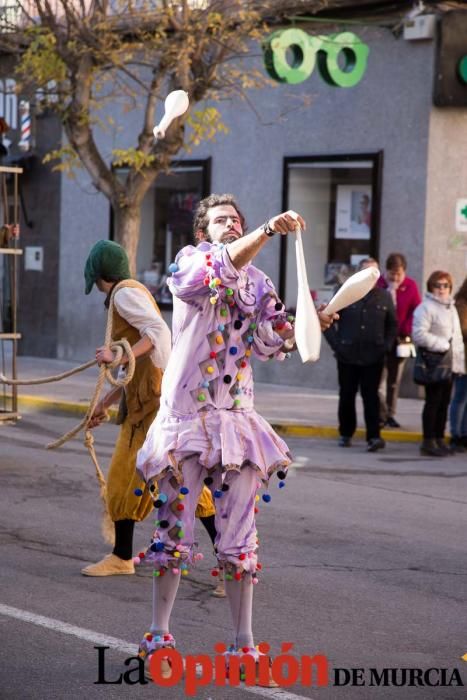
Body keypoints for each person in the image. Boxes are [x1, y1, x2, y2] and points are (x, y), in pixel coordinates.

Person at [134, 194, 335, 682]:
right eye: (223, 220)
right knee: (174, 532)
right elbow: (219, 270)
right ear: (204, 231)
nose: (232, 225)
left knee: (240, 538)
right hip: (184, 419)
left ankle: (243, 643)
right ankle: (159, 632)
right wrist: (265, 230)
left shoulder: (260, 284)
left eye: (237, 220)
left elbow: (271, 341)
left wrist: (308, 324)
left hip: (237, 423)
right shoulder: (190, 263)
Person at [80, 240, 218, 583]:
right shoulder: (130, 291)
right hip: (146, 400)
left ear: (100, 275)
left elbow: (157, 334)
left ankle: (122, 557)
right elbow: (142, 363)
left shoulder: (124, 294)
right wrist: (106, 403)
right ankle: (229, 559)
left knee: (139, 480)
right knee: (179, 482)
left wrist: (119, 356)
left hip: (151, 405)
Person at [324, 258, 397, 452]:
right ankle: (346, 433)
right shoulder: (344, 293)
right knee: (347, 395)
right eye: (366, 272)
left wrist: (386, 346)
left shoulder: (384, 297)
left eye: (374, 272)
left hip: (373, 356)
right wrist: (337, 345)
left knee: (371, 396)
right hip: (347, 355)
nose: (370, 277)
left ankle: (374, 436)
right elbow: (326, 319)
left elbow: (392, 325)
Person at [412, 270, 465, 457]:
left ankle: (439, 438)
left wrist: (458, 363)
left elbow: (456, 338)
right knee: (433, 402)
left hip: (450, 364)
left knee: (444, 403)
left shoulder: (450, 308)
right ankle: (428, 441)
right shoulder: (425, 307)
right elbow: (418, 334)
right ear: (431, 287)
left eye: (445, 285)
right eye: (438, 285)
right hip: (433, 362)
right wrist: (441, 345)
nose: (442, 289)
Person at [377, 253, 421, 428]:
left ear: (404, 272)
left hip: (400, 340)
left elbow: (415, 311)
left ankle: (390, 414)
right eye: (391, 274)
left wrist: (406, 329)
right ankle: (380, 413)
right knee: (379, 381)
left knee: (394, 381)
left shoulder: (410, 286)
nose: (395, 278)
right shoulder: (378, 284)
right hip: (379, 338)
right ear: (386, 271)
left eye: (398, 274)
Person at [449, 277, 467, 452]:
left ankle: (465, 433)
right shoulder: (461, 305)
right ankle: (457, 434)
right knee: (460, 398)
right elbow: (462, 331)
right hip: (463, 360)